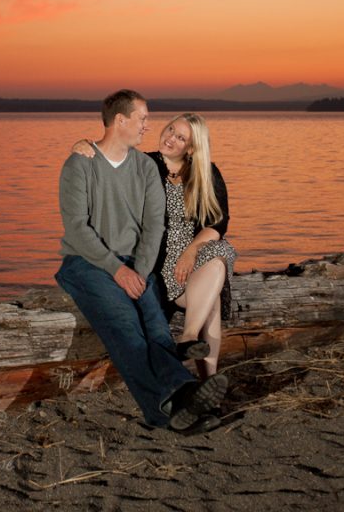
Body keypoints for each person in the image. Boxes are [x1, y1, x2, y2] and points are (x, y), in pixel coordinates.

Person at [55, 90, 228, 434]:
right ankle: (183, 397)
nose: (149, 126)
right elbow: (76, 228)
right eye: (143, 119)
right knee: (127, 329)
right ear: (120, 120)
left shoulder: (146, 167)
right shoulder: (80, 164)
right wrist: (116, 269)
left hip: (136, 264)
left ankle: (169, 411)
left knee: (157, 330)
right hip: (87, 263)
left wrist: (141, 269)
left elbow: (155, 225)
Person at [72, 112, 236, 377]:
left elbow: (219, 222)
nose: (170, 138)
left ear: (191, 148)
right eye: (171, 129)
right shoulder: (143, 163)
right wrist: (81, 145)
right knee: (212, 302)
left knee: (220, 255)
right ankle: (206, 375)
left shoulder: (206, 173)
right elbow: (105, 162)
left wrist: (191, 251)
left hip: (192, 267)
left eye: (180, 137)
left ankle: (190, 339)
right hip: (158, 268)